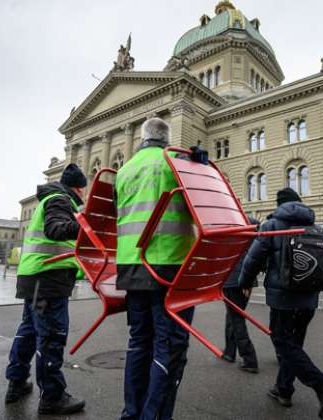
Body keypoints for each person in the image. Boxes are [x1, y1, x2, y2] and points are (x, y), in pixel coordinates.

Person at [115, 118, 200, 420]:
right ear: (167, 139)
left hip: (131, 267)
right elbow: (200, 211)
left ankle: (131, 413)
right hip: (170, 266)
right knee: (170, 345)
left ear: (142, 138)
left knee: (139, 341)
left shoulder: (124, 171)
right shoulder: (175, 162)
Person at [240, 188, 323, 419]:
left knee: (282, 342)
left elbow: (253, 258)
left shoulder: (271, 226)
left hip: (283, 298)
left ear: (279, 205)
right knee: (294, 345)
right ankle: (284, 389)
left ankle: (322, 384)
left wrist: (245, 282)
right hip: (309, 299)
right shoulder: (316, 228)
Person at [4, 163, 87, 414]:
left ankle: (16, 383)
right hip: (48, 280)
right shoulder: (60, 200)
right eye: (83, 191)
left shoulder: (50, 199)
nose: (83, 195)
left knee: (29, 331)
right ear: (77, 188)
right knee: (51, 336)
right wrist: (87, 223)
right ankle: (52, 396)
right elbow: (56, 230)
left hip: (34, 278)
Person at [220, 217, 261, 374]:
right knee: (232, 315)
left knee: (236, 318)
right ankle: (229, 352)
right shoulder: (252, 228)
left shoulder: (233, 227)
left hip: (232, 279)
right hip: (242, 280)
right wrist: (248, 281)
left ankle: (250, 359)